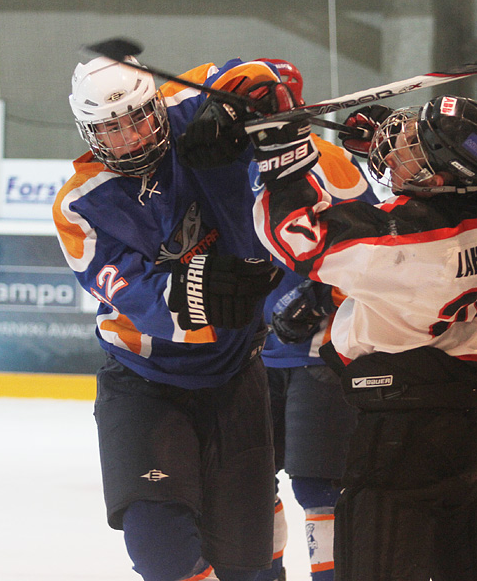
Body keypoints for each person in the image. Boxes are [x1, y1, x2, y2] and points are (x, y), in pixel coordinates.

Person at [234, 89, 477, 580]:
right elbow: (468, 174)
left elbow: (296, 236)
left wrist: (280, 160)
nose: (402, 141)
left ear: (436, 179)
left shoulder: (401, 246)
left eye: (415, 145)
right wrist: (390, 148)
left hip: (404, 428)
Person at [52, 55, 287, 581]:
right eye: (111, 131)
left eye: (137, 119)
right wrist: (204, 290)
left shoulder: (189, 103)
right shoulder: (80, 205)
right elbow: (136, 296)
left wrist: (250, 98)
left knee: (247, 564)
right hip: (145, 383)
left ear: (156, 105)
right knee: (160, 550)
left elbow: (252, 72)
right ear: (90, 132)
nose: (131, 138)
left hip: (236, 376)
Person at [251, 59, 380, 581]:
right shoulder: (220, 163)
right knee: (249, 484)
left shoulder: (329, 161)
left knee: (318, 485)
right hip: (246, 353)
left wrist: (326, 293)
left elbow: (377, 241)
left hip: (317, 354)